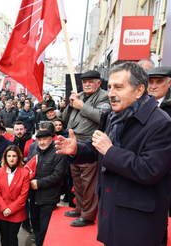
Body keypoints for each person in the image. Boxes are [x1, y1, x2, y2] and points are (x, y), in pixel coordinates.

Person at [56, 63, 171, 246]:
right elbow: (98, 145)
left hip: (138, 223)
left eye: (118, 87)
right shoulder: (115, 115)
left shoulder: (161, 124)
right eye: (110, 87)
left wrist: (111, 151)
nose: (111, 93)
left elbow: (149, 170)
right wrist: (77, 149)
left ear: (139, 91)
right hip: (111, 212)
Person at [61, 70, 109, 227]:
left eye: (91, 81)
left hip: (89, 145)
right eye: (85, 82)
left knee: (88, 182)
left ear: (99, 83)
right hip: (74, 144)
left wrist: (82, 106)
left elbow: (102, 117)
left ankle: (88, 215)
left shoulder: (104, 96)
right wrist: (70, 104)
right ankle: (80, 208)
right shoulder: (79, 95)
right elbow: (64, 118)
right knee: (77, 181)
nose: (87, 84)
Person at [147, 66, 171, 219]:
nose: (154, 86)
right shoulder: (136, 106)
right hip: (143, 162)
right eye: (150, 82)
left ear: (169, 84)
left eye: (159, 82)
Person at [25, 130, 66, 246]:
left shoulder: (59, 153)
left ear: (51, 139)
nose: (42, 142)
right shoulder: (35, 153)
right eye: (40, 140)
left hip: (48, 197)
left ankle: (42, 243)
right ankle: (39, 241)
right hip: (34, 196)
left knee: (45, 227)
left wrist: (38, 183)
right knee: (35, 223)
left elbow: (58, 176)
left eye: (45, 139)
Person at [0, 145, 30, 246]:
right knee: (4, 237)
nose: (11, 159)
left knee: (12, 237)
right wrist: (4, 208)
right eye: (9, 156)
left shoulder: (24, 173)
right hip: (2, 210)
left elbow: (23, 196)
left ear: (18, 157)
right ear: (5, 157)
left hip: (16, 211)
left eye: (14, 156)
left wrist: (10, 209)